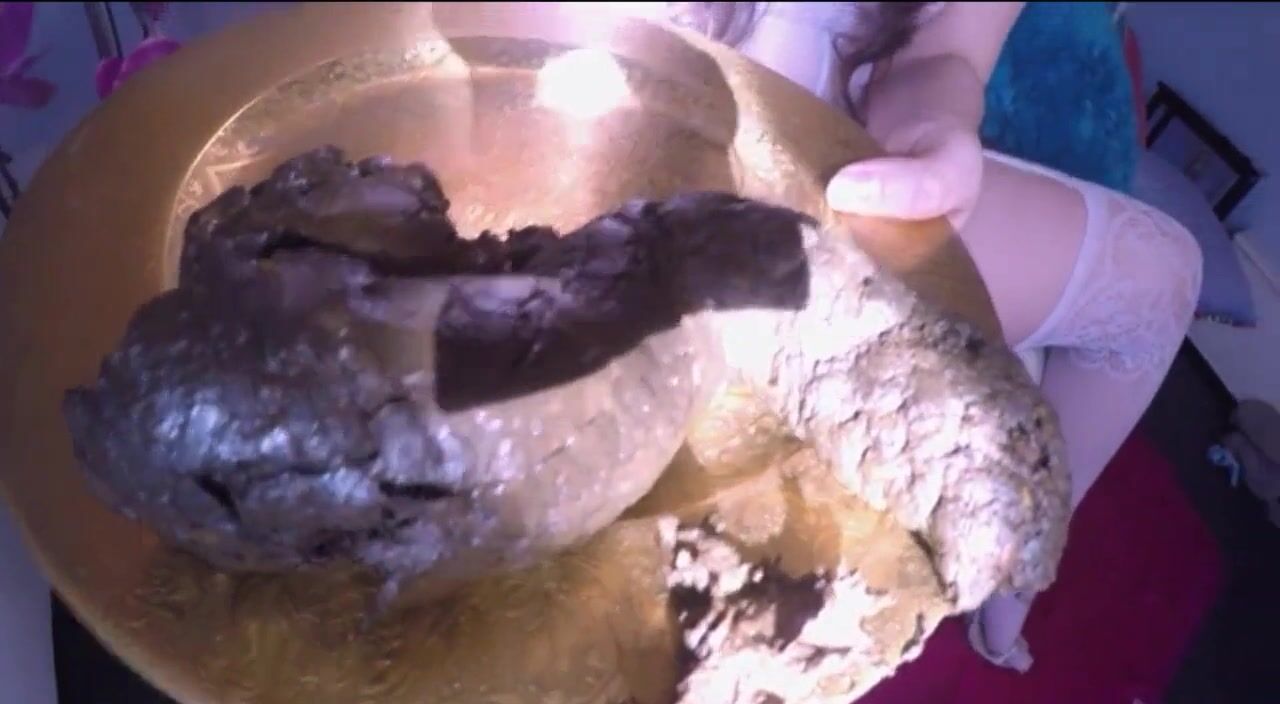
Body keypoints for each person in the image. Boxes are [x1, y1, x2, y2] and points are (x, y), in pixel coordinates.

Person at [656, 1, 1204, 673]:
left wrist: (934, 133)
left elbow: (943, 50)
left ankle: (1010, 586)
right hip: (609, 133)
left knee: (1162, 278)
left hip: (844, 174)